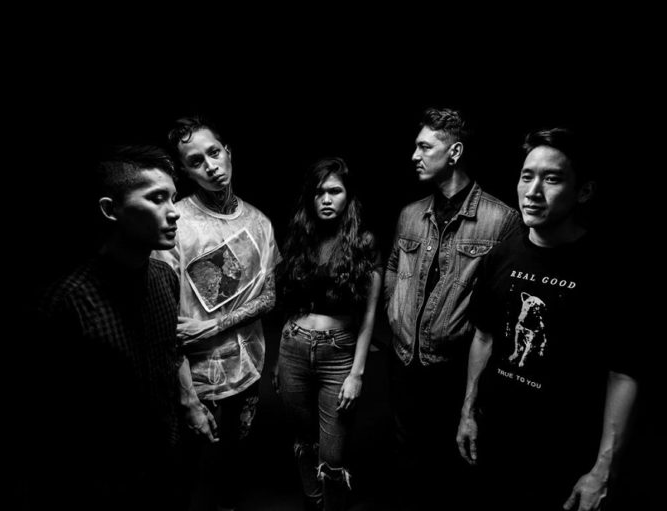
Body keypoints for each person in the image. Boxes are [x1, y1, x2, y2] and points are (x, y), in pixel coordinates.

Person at [456, 128, 639, 510]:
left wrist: (604, 468)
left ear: (583, 191)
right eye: (527, 176)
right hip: (496, 441)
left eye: (551, 179)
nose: (533, 191)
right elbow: (484, 337)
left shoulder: (609, 271)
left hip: (563, 457)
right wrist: (468, 411)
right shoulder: (500, 257)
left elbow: (622, 374)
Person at [34, 146, 203, 511]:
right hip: (103, 483)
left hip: (167, 465)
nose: (174, 211)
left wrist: (189, 405)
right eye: (156, 198)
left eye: (173, 198)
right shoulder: (66, 302)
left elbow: (169, 353)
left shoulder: (164, 277)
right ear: (110, 210)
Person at [383, 107, 521, 509]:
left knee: (453, 468)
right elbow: (392, 267)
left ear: (455, 152)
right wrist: (395, 314)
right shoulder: (410, 214)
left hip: (455, 370)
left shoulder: (501, 220)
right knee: (407, 461)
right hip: (404, 362)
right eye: (416, 146)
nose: (415, 155)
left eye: (425, 147)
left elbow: (503, 307)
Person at [152, 116, 280, 511]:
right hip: (194, 378)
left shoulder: (259, 222)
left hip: (247, 367)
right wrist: (188, 398)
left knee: (233, 468)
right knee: (185, 473)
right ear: (185, 171)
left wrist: (212, 325)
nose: (210, 166)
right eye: (196, 161)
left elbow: (269, 297)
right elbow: (165, 325)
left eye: (214, 152)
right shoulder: (175, 225)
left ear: (228, 152)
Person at [275, 157, 382, 511]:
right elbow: (290, 301)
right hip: (292, 348)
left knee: (332, 454)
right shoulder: (300, 237)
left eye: (334, 191)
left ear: (348, 196)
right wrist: (279, 361)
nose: (325, 199)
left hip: (338, 354)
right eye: (319, 192)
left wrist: (357, 373)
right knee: (304, 441)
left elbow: (369, 316)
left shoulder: (364, 242)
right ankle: (313, 502)